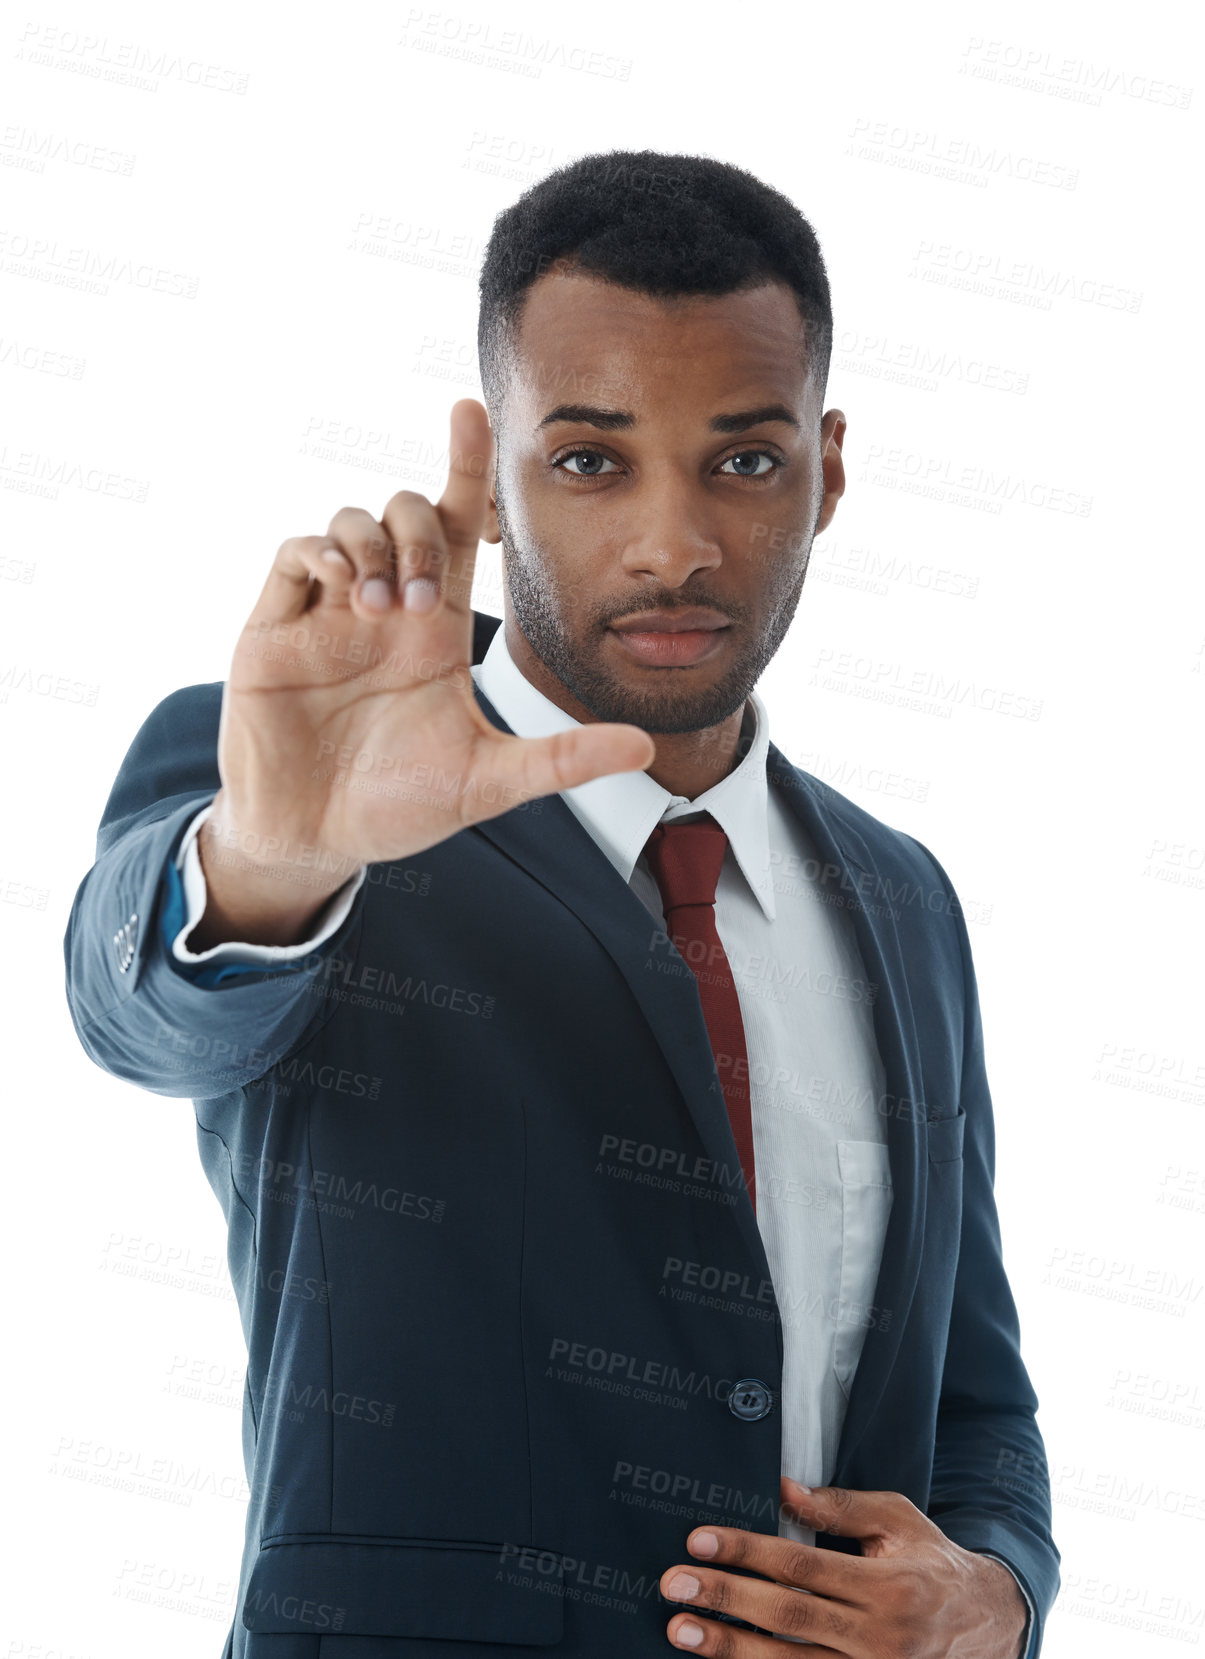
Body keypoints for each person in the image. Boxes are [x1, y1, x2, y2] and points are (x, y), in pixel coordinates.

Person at [64, 149, 1058, 1658]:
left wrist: (991, 1596)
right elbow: (140, 1014)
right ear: (500, 466)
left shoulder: (900, 900)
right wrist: (276, 853)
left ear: (827, 471)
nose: (673, 544)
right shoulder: (314, 793)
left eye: (743, 459)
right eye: (590, 461)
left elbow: (972, 1400)